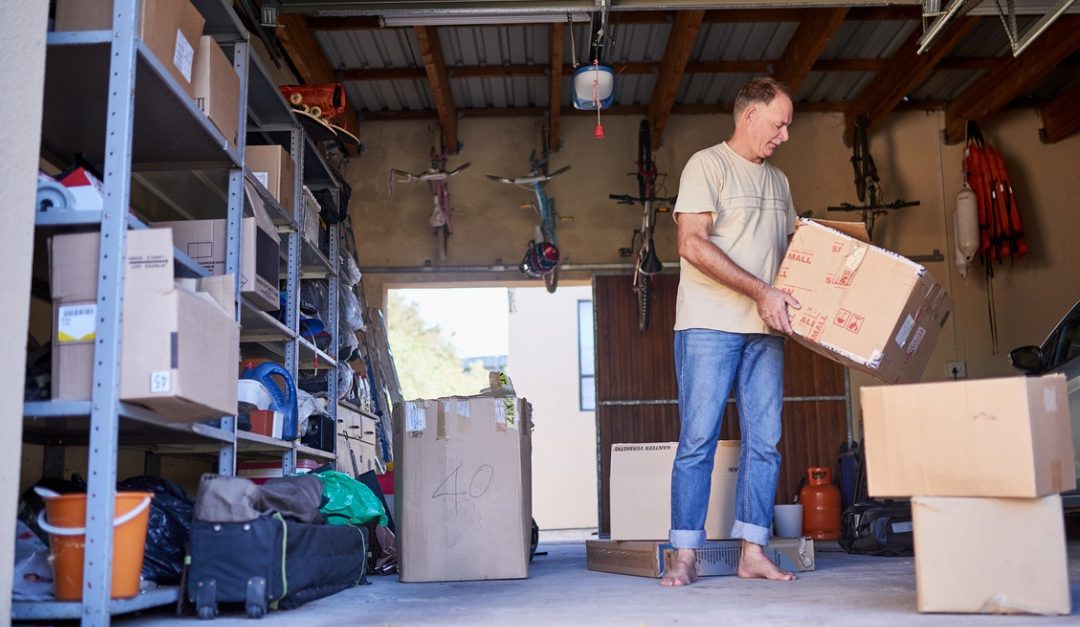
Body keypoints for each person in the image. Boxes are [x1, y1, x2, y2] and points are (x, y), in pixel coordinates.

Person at [660, 77, 801, 587]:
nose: (784, 135)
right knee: (698, 440)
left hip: (766, 330)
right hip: (708, 325)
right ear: (749, 116)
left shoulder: (779, 182)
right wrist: (760, 291)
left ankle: (753, 552)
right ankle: (685, 556)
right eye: (779, 123)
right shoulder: (707, 165)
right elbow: (691, 244)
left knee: (765, 442)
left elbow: (790, 256)